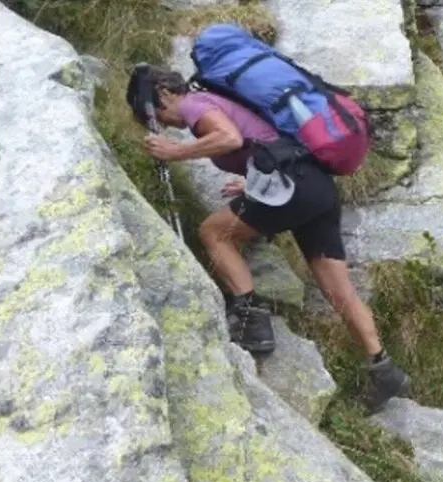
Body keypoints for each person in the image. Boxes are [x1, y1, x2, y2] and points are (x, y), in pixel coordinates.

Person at [133, 65, 409, 411]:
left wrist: (174, 152)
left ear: (164, 93)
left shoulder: (194, 103)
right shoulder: (218, 100)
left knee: (213, 232)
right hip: (316, 187)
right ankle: (384, 368)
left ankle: (251, 321)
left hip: (292, 186)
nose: (164, 124)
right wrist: (252, 183)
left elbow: (230, 139)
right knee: (339, 291)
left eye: (156, 113)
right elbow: (262, 143)